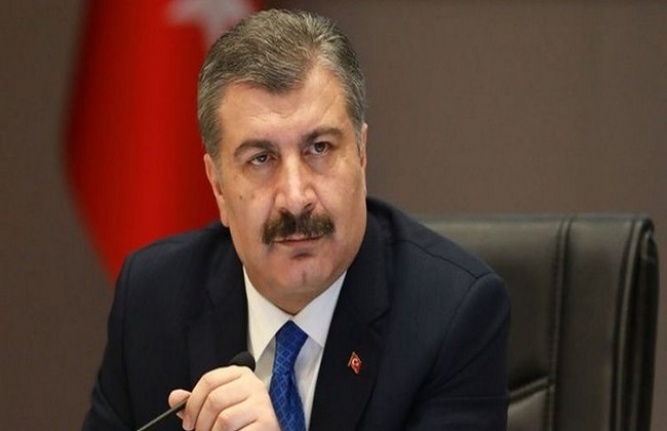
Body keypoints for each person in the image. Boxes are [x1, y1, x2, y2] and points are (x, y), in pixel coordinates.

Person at [82, 8, 510, 431]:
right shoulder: (154, 296)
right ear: (218, 186)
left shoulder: (452, 314)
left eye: (319, 148)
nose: (295, 197)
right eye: (261, 158)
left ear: (361, 155)